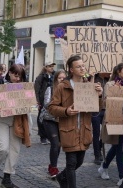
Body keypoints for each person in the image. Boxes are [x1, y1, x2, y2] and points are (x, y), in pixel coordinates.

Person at [48, 55, 103, 188]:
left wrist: (100, 95)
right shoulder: (62, 86)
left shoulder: (89, 85)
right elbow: (51, 107)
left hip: (84, 131)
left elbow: (97, 110)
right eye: (78, 66)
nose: (82, 68)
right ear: (71, 70)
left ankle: (62, 177)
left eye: (83, 66)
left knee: (79, 162)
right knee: (71, 163)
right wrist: (66, 111)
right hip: (69, 130)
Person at [0, 64, 31, 188]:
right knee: (2, 147)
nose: (17, 79)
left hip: (17, 120)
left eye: (20, 77)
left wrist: (31, 103)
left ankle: (7, 176)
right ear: (10, 73)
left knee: (14, 150)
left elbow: (28, 101)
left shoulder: (24, 86)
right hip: (1, 119)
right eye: (16, 75)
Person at [98, 63, 123, 186]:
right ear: (118, 72)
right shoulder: (110, 84)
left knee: (118, 146)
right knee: (119, 148)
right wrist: (116, 91)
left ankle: (104, 166)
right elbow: (105, 103)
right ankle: (122, 176)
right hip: (114, 119)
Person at [42, 69, 66, 178]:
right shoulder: (50, 89)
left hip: (61, 120)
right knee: (55, 144)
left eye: (64, 78)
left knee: (59, 144)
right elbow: (46, 104)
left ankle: (52, 164)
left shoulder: (67, 91)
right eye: (60, 78)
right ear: (56, 79)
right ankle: (54, 168)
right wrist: (58, 104)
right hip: (49, 119)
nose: (62, 80)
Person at [34, 61, 56, 144]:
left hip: (52, 100)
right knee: (41, 118)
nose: (52, 68)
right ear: (45, 67)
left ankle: (50, 135)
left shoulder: (55, 76)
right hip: (43, 101)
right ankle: (42, 136)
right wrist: (38, 101)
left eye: (52, 66)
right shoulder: (40, 77)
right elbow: (37, 90)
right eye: (50, 66)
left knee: (51, 118)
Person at [92, 72, 110, 165]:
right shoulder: (93, 78)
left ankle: (99, 147)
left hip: (107, 109)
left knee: (105, 132)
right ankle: (97, 155)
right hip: (95, 109)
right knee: (96, 133)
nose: (110, 72)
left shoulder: (110, 80)